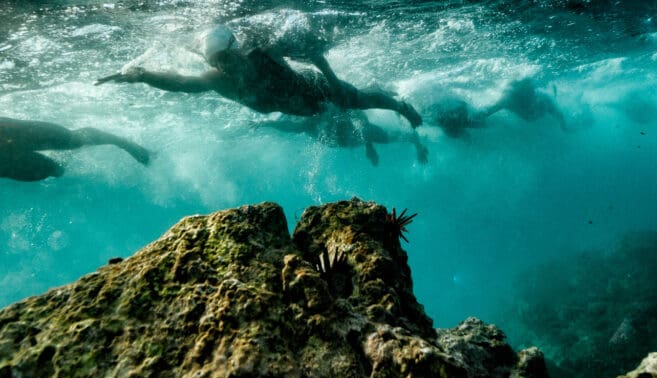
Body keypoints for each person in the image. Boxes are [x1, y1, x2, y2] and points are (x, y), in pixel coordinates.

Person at [96, 26, 422, 128]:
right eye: (218, 62)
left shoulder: (263, 53)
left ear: (237, 51)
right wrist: (140, 75)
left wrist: (333, 82)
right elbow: (180, 84)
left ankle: (400, 105)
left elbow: (316, 54)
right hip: (297, 107)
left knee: (358, 101)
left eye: (227, 58)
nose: (225, 66)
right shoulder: (216, 79)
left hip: (314, 88)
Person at [257, 106, 428, 166]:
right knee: (304, 126)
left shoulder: (343, 110)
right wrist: (269, 124)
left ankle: (419, 146)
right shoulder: (312, 121)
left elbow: (361, 118)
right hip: (339, 138)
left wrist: (369, 147)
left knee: (396, 136)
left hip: (355, 134)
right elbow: (295, 127)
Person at [0, 117, 150, 182]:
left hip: (19, 134)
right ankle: (65, 158)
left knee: (74, 140)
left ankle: (125, 143)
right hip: (7, 163)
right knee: (57, 171)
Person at [429, 77, 569, 138]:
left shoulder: (543, 100)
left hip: (541, 114)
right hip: (529, 116)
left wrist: (564, 126)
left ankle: (553, 90)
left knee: (549, 105)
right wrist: (464, 116)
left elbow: (560, 116)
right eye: (527, 92)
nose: (530, 94)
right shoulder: (510, 99)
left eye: (531, 92)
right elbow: (488, 111)